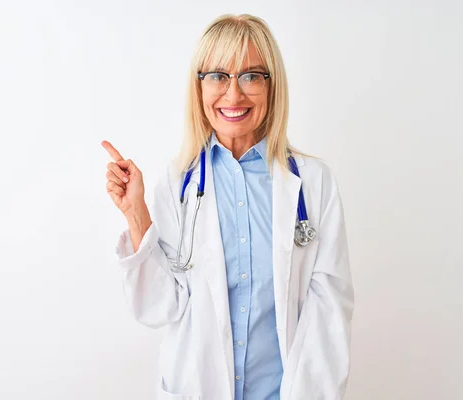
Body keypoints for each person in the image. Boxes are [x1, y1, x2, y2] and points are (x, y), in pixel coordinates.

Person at [102, 14, 354, 400]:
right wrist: (136, 212)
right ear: (198, 86)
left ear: (272, 85)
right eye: (218, 76)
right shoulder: (177, 183)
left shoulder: (313, 184)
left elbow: (329, 316)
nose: (233, 95)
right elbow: (159, 308)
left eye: (251, 76)